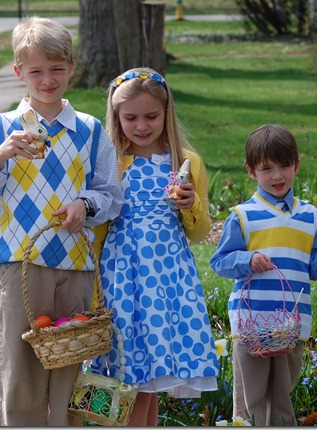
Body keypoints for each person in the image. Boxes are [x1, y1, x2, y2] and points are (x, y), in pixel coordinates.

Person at [0, 17, 123, 426]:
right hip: (20, 268)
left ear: (72, 67)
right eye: (36, 71)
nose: (47, 80)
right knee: (20, 373)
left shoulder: (90, 131)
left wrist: (85, 204)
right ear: (18, 72)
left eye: (57, 69)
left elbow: (113, 196)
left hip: (76, 266)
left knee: (70, 369)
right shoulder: (1, 129)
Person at [89, 67, 219, 426]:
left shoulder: (185, 162)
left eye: (151, 116)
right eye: (130, 118)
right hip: (123, 278)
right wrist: (94, 286)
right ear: (116, 116)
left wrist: (190, 205)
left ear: (166, 112)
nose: (142, 126)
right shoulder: (111, 162)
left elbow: (199, 233)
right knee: (128, 373)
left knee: (151, 378)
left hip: (168, 279)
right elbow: (98, 230)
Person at [210, 124, 317, 426]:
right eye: (267, 169)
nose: (277, 176)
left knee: (282, 399)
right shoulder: (242, 216)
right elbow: (220, 262)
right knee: (250, 401)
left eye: (284, 166)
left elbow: (316, 267)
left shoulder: (309, 216)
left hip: (292, 326)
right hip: (250, 325)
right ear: (251, 171)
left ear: (296, 166)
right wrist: (248, 259)